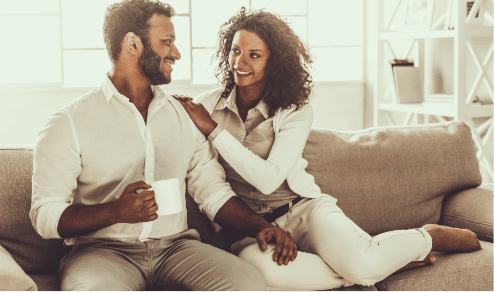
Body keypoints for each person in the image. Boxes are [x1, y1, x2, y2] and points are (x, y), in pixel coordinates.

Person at [174, 7, 482, 291]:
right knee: (264, 275)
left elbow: (269, 179)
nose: (240, 62)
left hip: (304, 210)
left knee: (364, 263)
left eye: (254, 55)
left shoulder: (294, 110)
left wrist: (213, 131)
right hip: (252, 230)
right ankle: (386, 263)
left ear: (274, 62)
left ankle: (426, 236)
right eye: (235, 50)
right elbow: (210, 186)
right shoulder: (208, 107)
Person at [29, 1, 298, 290]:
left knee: (249, 284)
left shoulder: (183, 115)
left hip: (177, 249)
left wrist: (263, 227)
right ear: (133, 43)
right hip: (101, 253)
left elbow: (213, 193)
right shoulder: (67, 122)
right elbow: (44, 215)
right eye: (167, 42)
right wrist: (114, 212)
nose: (176, 53)